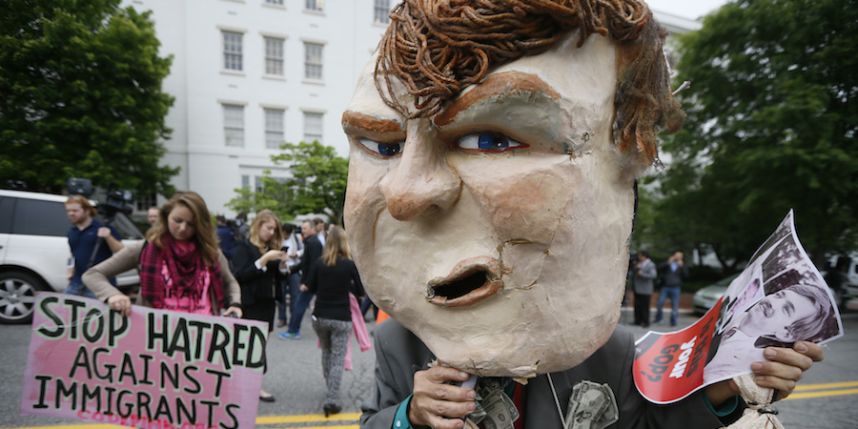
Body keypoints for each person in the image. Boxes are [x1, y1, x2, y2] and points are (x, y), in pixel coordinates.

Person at [340, 1, 824, 428]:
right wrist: (410, 415)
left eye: (490, 140)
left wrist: (728, 385)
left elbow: (658, 419)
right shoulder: (397, 344)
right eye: (382, 145)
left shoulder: (610, 353)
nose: (404, 195)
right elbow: (374, 420)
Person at [82, 191, 242, 318]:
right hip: (157, 339)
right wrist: (113, 295)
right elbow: (93, 274)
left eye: (191, 224)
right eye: (177, 220)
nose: (182, 228)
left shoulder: (211, 253)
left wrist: (235, 304)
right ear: (166, 217)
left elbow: (230, 283)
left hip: (202, 338)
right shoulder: (146, 249)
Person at [704, 284, 832, 386]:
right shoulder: (734, 314)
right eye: (779, 295)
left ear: (786, 334)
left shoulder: (742, 364)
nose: (773, 303)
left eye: (786, 309)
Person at [300, 226, 365, 416]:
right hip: (341, 317)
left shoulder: (319, 263)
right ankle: (332, 398)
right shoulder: (349, 265)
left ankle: (331, 388)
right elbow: (361, 291)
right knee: (337, 358)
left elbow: (310, 287)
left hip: (320, 316)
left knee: (326, 352)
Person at [230, 210, 285, 403]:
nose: (271, 232)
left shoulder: (269, 248)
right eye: (268, 228)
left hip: (267, 303)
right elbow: (240, 275)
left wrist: (284, 266)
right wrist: (264, 260)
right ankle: (248, 386)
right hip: (250, 304)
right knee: (247, 346)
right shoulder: (244, 247)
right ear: (258, 225)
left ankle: (253, 384)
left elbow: (277, 278)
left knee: (259, 346)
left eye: (274, 229)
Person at [65, 195, 123, 298]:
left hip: (100, 283)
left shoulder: (103, 227)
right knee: (67, 311)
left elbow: (120, 251)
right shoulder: (72, 232)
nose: (71, 214)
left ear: (87, 211)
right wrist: (70, 270)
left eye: (75, 210)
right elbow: (72, 255)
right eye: (68, 211)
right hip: (77, 282)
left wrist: (108, 237)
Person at [279, 220, 323, 339]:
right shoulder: (310, 242)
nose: (302, 231)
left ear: (313, 229)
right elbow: (305, 262)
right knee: (301, 304)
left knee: (300, 305)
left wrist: (307, 283)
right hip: (309, 280)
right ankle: (293, 330)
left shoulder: (313, 243)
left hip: (309, 282)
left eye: (305, 228)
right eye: (302, 228)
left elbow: (314, 264)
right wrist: (292, 270)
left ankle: (293, 330)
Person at [277, 223, 304, 328]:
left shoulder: (297, 238)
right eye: (284, 234)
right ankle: (282, 318)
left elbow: (303, 250)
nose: (285, 236)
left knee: (295, 295)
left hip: (294, 269)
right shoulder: (278, 239)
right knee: (281, 296)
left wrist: (296, 254)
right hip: (281, 269)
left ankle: (294, 319)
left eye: (287, 234)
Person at [653, 251, 688, 327]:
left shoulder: (682, 265)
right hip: (665, 287)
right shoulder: (668, 263)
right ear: (674, 255)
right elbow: (658, 267)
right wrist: (668, 262)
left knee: (675, 305)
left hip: (676, 288)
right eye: (676, 255)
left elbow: (686, 275)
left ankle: (673, 321)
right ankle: (659, 318)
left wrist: (682, 266)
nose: (678, 257)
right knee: (660, 303)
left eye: (679, 256)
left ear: (681, 257)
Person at [633, 251, 657, 327]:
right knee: (637, 305)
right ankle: (637, 321)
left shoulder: (651, 264)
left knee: (645, 306)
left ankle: (646, 322)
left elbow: (653, 275)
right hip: (637, 288)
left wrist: (642, 274)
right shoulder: (639, 263)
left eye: (640, 256)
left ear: (644, 256)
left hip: (646, 289)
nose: (639, 257)